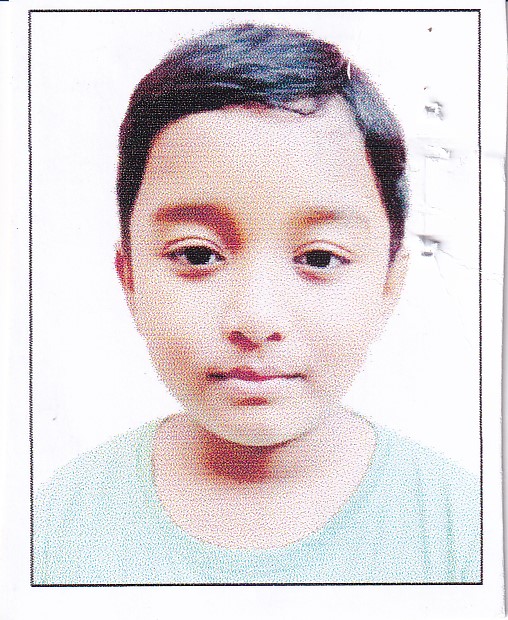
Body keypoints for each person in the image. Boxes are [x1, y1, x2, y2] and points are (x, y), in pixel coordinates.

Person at [33, 23, 480, 585]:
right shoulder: (52, 527)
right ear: (130, 279)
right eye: (198, 254)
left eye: (320, 258)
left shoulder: (466, 530)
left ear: (389, 283)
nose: (256, 319)